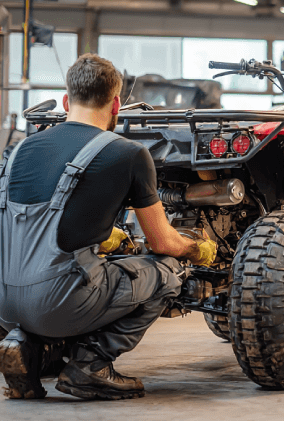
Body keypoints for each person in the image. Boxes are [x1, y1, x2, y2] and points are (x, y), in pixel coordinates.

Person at [0, 54, 216, 401]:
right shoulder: (127, 154)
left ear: (67, 101)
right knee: (169, 271)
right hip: (60, 304)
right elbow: (162, 242)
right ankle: (91, 365)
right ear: (116, 103)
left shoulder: (19, 150)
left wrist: (103, 237)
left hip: (5, 305)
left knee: (74, 276)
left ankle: (24, 346)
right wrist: (197, 249)